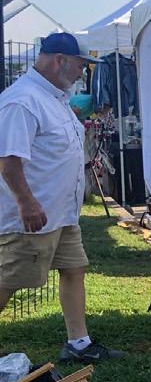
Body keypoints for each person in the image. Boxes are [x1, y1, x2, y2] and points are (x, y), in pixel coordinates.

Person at [0, 33, 121, 363]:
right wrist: (26, 202)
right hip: (32, 216)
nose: (83, 72)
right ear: (59, 61)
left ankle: (78, 343)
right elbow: (8, 161)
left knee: (74, 268)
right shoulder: (22, 100)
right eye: (81, 65)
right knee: (8, 281)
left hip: (61, 213)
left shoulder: (55, 98)